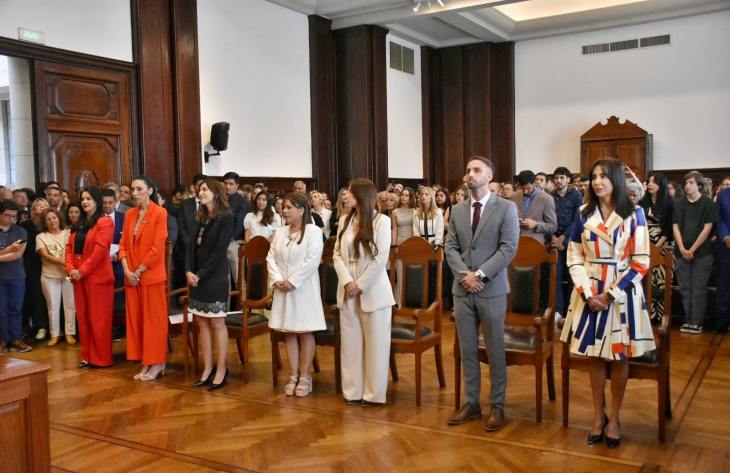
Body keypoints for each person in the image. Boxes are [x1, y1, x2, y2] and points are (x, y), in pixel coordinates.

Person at [560, 158, 655, 448]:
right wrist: (588, 293)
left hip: (621, 294)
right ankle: (597, 416)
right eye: (594, 177)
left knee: (619, 356)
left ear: (616, 179)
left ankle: (614, 418)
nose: (597, 182)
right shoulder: (583, 213)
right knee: (594, 357)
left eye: (603, 176)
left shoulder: (635, 213)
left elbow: (641, 262)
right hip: (589, 291)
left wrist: (610, 294)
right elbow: (573, 256)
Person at [445, 156, 519, 432]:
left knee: (495, 349)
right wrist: (464, 275)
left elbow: (508, 248)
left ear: (489, 176)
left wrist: (480, 275)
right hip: (462, 289)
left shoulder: (506, 208)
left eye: (476, 170)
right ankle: (472, 403)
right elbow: (450, 246)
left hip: (492, 289)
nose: (470, 174)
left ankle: (497, 406)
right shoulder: (457, 210)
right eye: (468, 170)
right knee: (467, 349)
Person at [333, 178, 394, 406]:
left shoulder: (382, 221)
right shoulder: (344, 220)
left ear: (362, 195)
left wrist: (360, 284)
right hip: (347, 289)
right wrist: (347, 281)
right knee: (351, 344)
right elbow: (336, 254)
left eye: (350, 192)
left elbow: (381, 258)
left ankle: (373, 394)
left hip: (373, 290)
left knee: (376, 344)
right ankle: (353, 392)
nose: (345, 195)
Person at [267, 192, 326, 397]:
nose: (284, 211)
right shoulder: (280, 232)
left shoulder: (313, 231)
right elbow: (270, 258)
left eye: (289, 207)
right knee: (289, 332)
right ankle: (293, 375)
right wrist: (277, 280)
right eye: (283, 207)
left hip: (303, 289)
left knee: (304, 331)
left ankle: (305, 376)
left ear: (301, 210)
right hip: (283, 289)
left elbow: (312, 260)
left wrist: (292, 281)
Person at [118, 176, 169, 381]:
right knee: (137, 321)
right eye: (133, 189)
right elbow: (122, 245)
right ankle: (146, 361)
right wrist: (126, 270)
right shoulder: (130, 214)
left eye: (139, 189)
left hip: (150, 275)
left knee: (153, 321)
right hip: (131, 276)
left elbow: (157, 247)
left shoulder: (160, 213)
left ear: (150, 191)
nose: (135, 193)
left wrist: (138, 271)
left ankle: (157, 362)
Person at [186, 178, 233, 390]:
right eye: (199, 190)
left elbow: (219, 251)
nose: (201, 193)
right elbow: (190, 246)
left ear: (216, 192)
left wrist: (200, 274)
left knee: (217, 323)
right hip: (196, 277)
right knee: (202, 323)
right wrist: (188, 270)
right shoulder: (200, 215)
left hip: (214, 277)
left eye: (205, 189)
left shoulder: (226, 216)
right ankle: (207, 368)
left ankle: (221, 370)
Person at [65, 187, 115, 368]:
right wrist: (71, 268)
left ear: (97, 201)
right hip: (79, 276)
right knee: (84, 318)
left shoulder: (105, 222)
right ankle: (86, 356)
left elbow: (99, 252)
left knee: (98, 319)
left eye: (89, 199)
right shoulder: (79, 222)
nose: (85, 202)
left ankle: (101, 359)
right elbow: (69, 249)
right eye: (83, 199)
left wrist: (81, 270)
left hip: (97, 277)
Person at [673, 171, 718, 334]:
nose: (687, 186)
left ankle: (697, 321)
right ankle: (688, 319)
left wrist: (691, 250)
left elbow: (707, 228)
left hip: (702, 253)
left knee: (699, 290)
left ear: (699, 185)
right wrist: (682, 249)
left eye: (691, 182)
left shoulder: (708, 203)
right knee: (685, 289)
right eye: (685, 183)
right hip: (681, 252)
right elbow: (675, 227)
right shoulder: (678, 203)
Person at [36, 208, 76, 347]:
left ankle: (70, 333)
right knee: (52, 306)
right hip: (49, 276)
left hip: (68, 275)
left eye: (54, 217)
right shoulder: (41, 236)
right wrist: (64, 262)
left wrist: (69, 266)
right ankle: (54, 334)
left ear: (59, 218)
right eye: (48, 219)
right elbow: (45, 255)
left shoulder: (68, 233)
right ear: (45, 222)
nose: (52, 221)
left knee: (70, 305)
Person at [638, 172, 674, 324]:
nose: (650, 184)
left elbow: (669, 228)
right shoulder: (642, 203)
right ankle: (647, 313)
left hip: (663, 244)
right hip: (644, 244)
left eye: (654, 182)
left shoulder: (669, 203)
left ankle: (661, 316)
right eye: (649, 182)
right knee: (646, 282)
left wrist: (657, 247)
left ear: (661, 185)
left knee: (661, 282)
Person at [550, 167, 583, 323]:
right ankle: (558, 310)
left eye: (562, 177)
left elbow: (577, 220)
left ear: (568, 180)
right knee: (555, 276)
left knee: (572, 277)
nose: (558, 180)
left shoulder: (576, 195)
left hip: (571, 241)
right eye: (556, 178)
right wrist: (554, 238)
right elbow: (547, 218)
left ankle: (571, 310)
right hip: (553, 240)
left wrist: (562, 239)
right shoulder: (550, 196)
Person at [0, 200, 31, 353]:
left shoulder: (20, 231)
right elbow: (12, 251)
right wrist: (9, 249)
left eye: (14, 216)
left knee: (16, 309)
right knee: (1, 310)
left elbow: (18, 254)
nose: (11, 219)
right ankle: (2, 340)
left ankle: (16, 338)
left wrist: (5, 252)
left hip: (17, 275)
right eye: (7, 216)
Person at [21, 198, 50, 341]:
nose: (41, 207)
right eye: (38, 205)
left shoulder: (49, 224)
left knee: (47, 297)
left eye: (44, 205)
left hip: (49, 264)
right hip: (32, 266)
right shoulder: (26, 225)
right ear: (33, 209)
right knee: (35, 296)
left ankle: (49, 327)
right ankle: (39, 326)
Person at [509, 170, 557, 242]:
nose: (525, 192)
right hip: (514, 240)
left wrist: (536, 225)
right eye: (522, 189)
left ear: (535, 183)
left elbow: (553, 226)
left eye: (528, 188)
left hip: (535, 242)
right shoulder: (514, 196)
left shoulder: (547, 199)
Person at [222, 172, 251, 288]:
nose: (227, 186)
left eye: (231, 184)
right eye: (225, 183)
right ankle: (225, 300)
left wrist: (227, 239)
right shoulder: (220, 199)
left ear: (237, 185)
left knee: (238, 278)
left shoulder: (243, 202)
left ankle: (242, 300)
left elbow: (240, 225)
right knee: (224, 278)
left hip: (235, 242)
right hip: (221, 242)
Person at [715, 187, 730, 332]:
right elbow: (718, 218)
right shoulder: (723, 194)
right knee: (723, 286)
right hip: (726, 248)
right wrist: (725, 237)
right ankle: (723, 320)